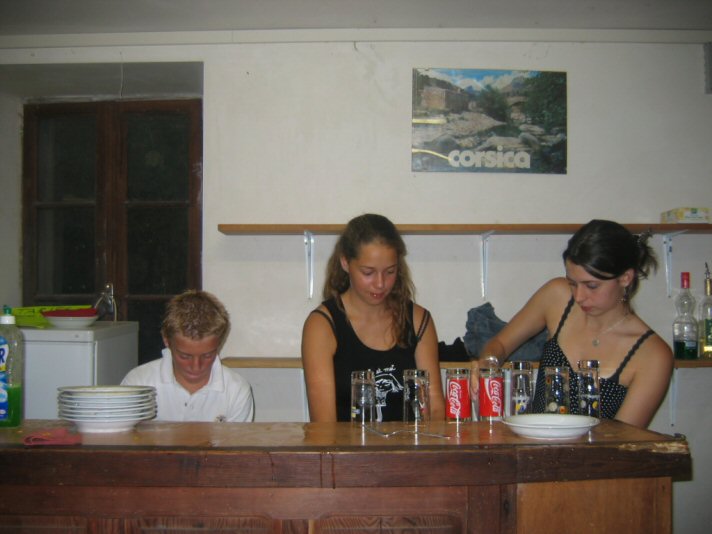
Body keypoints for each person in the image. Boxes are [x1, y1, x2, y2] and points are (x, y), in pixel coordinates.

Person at [473, 220, 673, 428]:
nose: (579, 296)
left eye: (592, 286)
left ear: (625, 278)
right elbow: (499, 344)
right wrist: (488, 363)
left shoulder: (653, 355)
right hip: (532, 444)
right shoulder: (558, 297)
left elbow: (623, 439)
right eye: (572, 283)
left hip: (597, 449)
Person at [301, 213, 445, 422]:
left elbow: (435, 409)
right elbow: (324, 428)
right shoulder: (322, 326)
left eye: (390, 272)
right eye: (368, 272)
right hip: (345, 444)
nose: (380, 284)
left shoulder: (418, 320)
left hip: (410, 442)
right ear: (345, 262)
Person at [121, 290, 254, 422]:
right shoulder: (138, 384)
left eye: (207, 355)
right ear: (166, 340)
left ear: (219, 344)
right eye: (185, 356)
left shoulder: (236, 391)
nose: (196, 367)